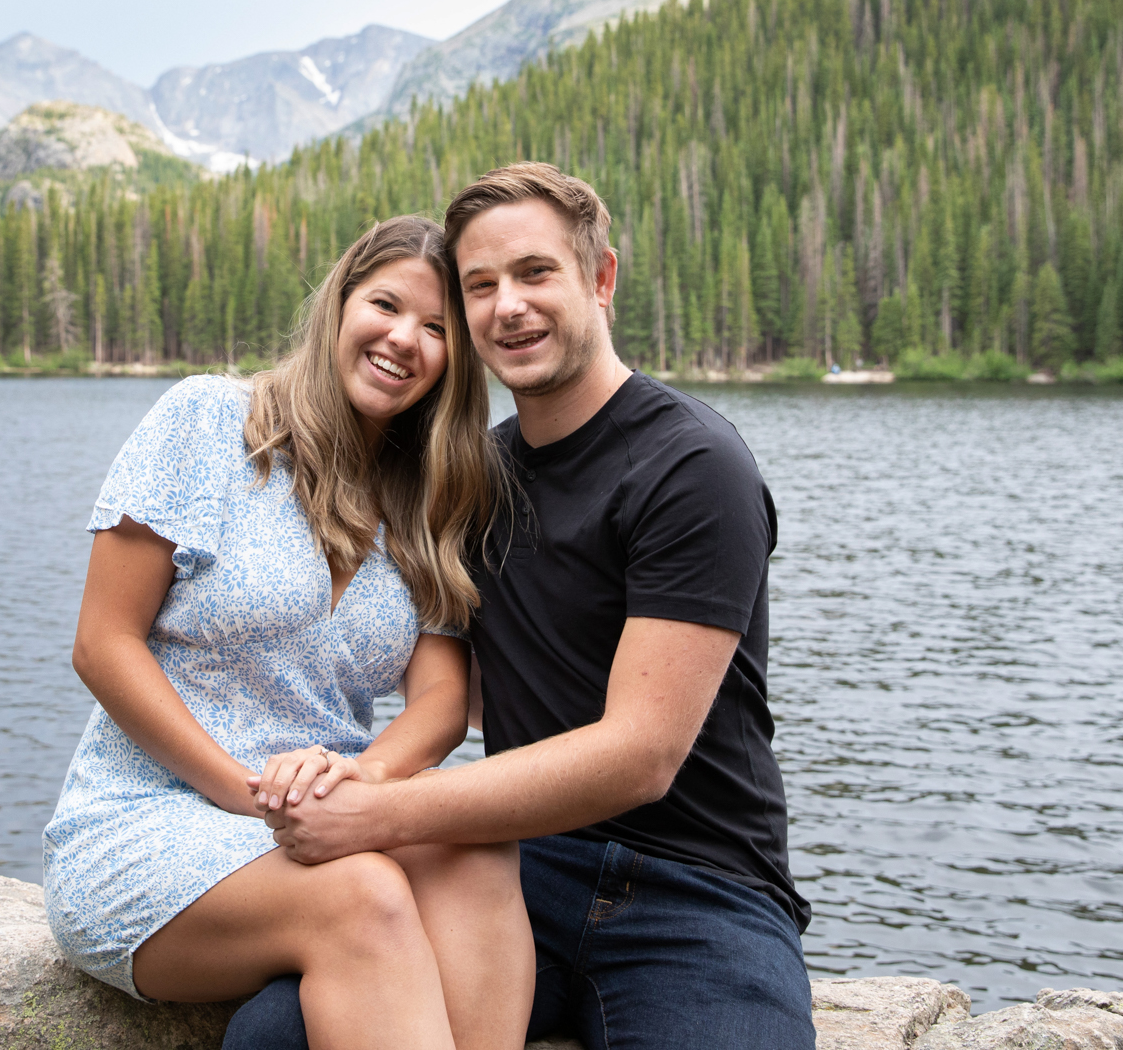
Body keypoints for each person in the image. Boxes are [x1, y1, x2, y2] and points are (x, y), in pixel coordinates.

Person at [228, 164, 812, 1050]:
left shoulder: (693, 467)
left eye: (536, 273)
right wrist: (339, 769)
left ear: (601, 279)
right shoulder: (473, 477)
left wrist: (383, 811)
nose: (508, 306)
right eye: (480, 286)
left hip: (699, 891)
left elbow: (640, 754)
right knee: (273, 1036)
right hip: (515, 864)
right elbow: (449, 694)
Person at [41, 214, 534, 1050]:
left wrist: (364, 778)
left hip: (321, 819)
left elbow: (444, 699)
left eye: (438, 328)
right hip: (147, 817)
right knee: (364, 893)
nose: (404, 338)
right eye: (385, 304)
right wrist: (247, 791)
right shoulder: (206, 421)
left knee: (475, 851)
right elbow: (103, 643)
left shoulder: (431, 497)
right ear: (340, 303)